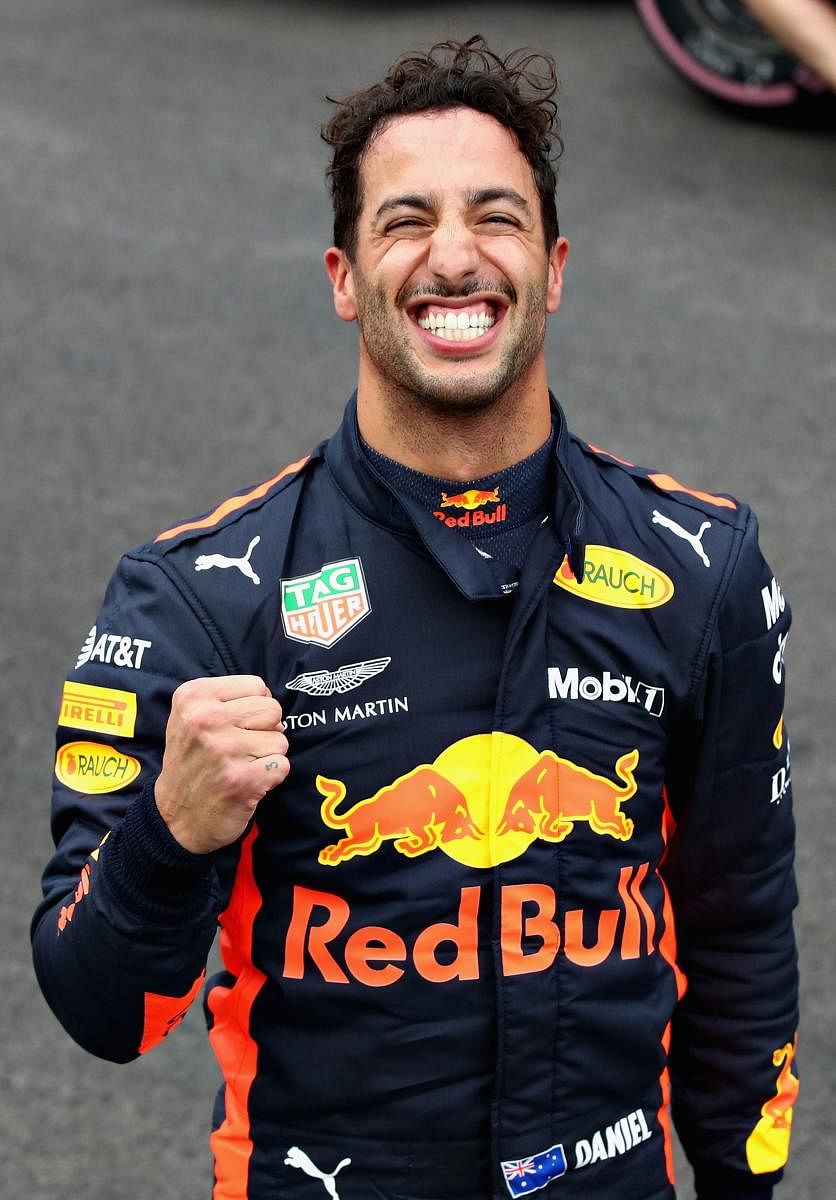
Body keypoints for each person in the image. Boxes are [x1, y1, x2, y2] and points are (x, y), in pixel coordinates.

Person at [32, 35, 799, 1200]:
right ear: (343, 276)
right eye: (404, 222)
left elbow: (737, 950)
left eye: (494, 218)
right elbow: (100, 1010)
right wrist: (168, 834)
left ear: (551, 266)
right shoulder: (194, 596)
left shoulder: (702, 569)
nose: (453, 257)